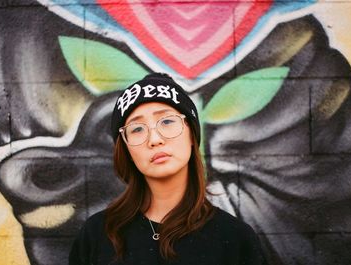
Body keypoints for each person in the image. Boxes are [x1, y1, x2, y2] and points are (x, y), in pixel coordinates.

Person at [69, 73, 267, 265]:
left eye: (167, 121)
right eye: (137, 129)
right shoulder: (96, 236)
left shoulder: (235, 240)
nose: (155, 139)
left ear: (191, 134)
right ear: (126, 149)